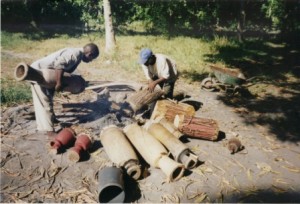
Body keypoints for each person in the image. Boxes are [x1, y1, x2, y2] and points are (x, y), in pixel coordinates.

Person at [30, 43, 99, 137]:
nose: (90, 61)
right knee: (43, 101)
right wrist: (59, 83)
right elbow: (59, 65)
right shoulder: (75, 53)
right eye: (92, 59)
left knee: (49, 98)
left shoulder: (77, 54)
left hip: (45, 73)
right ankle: (49, 130)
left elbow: (65, 69)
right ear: (89, 54)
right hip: (38, 73)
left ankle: (52, 119)